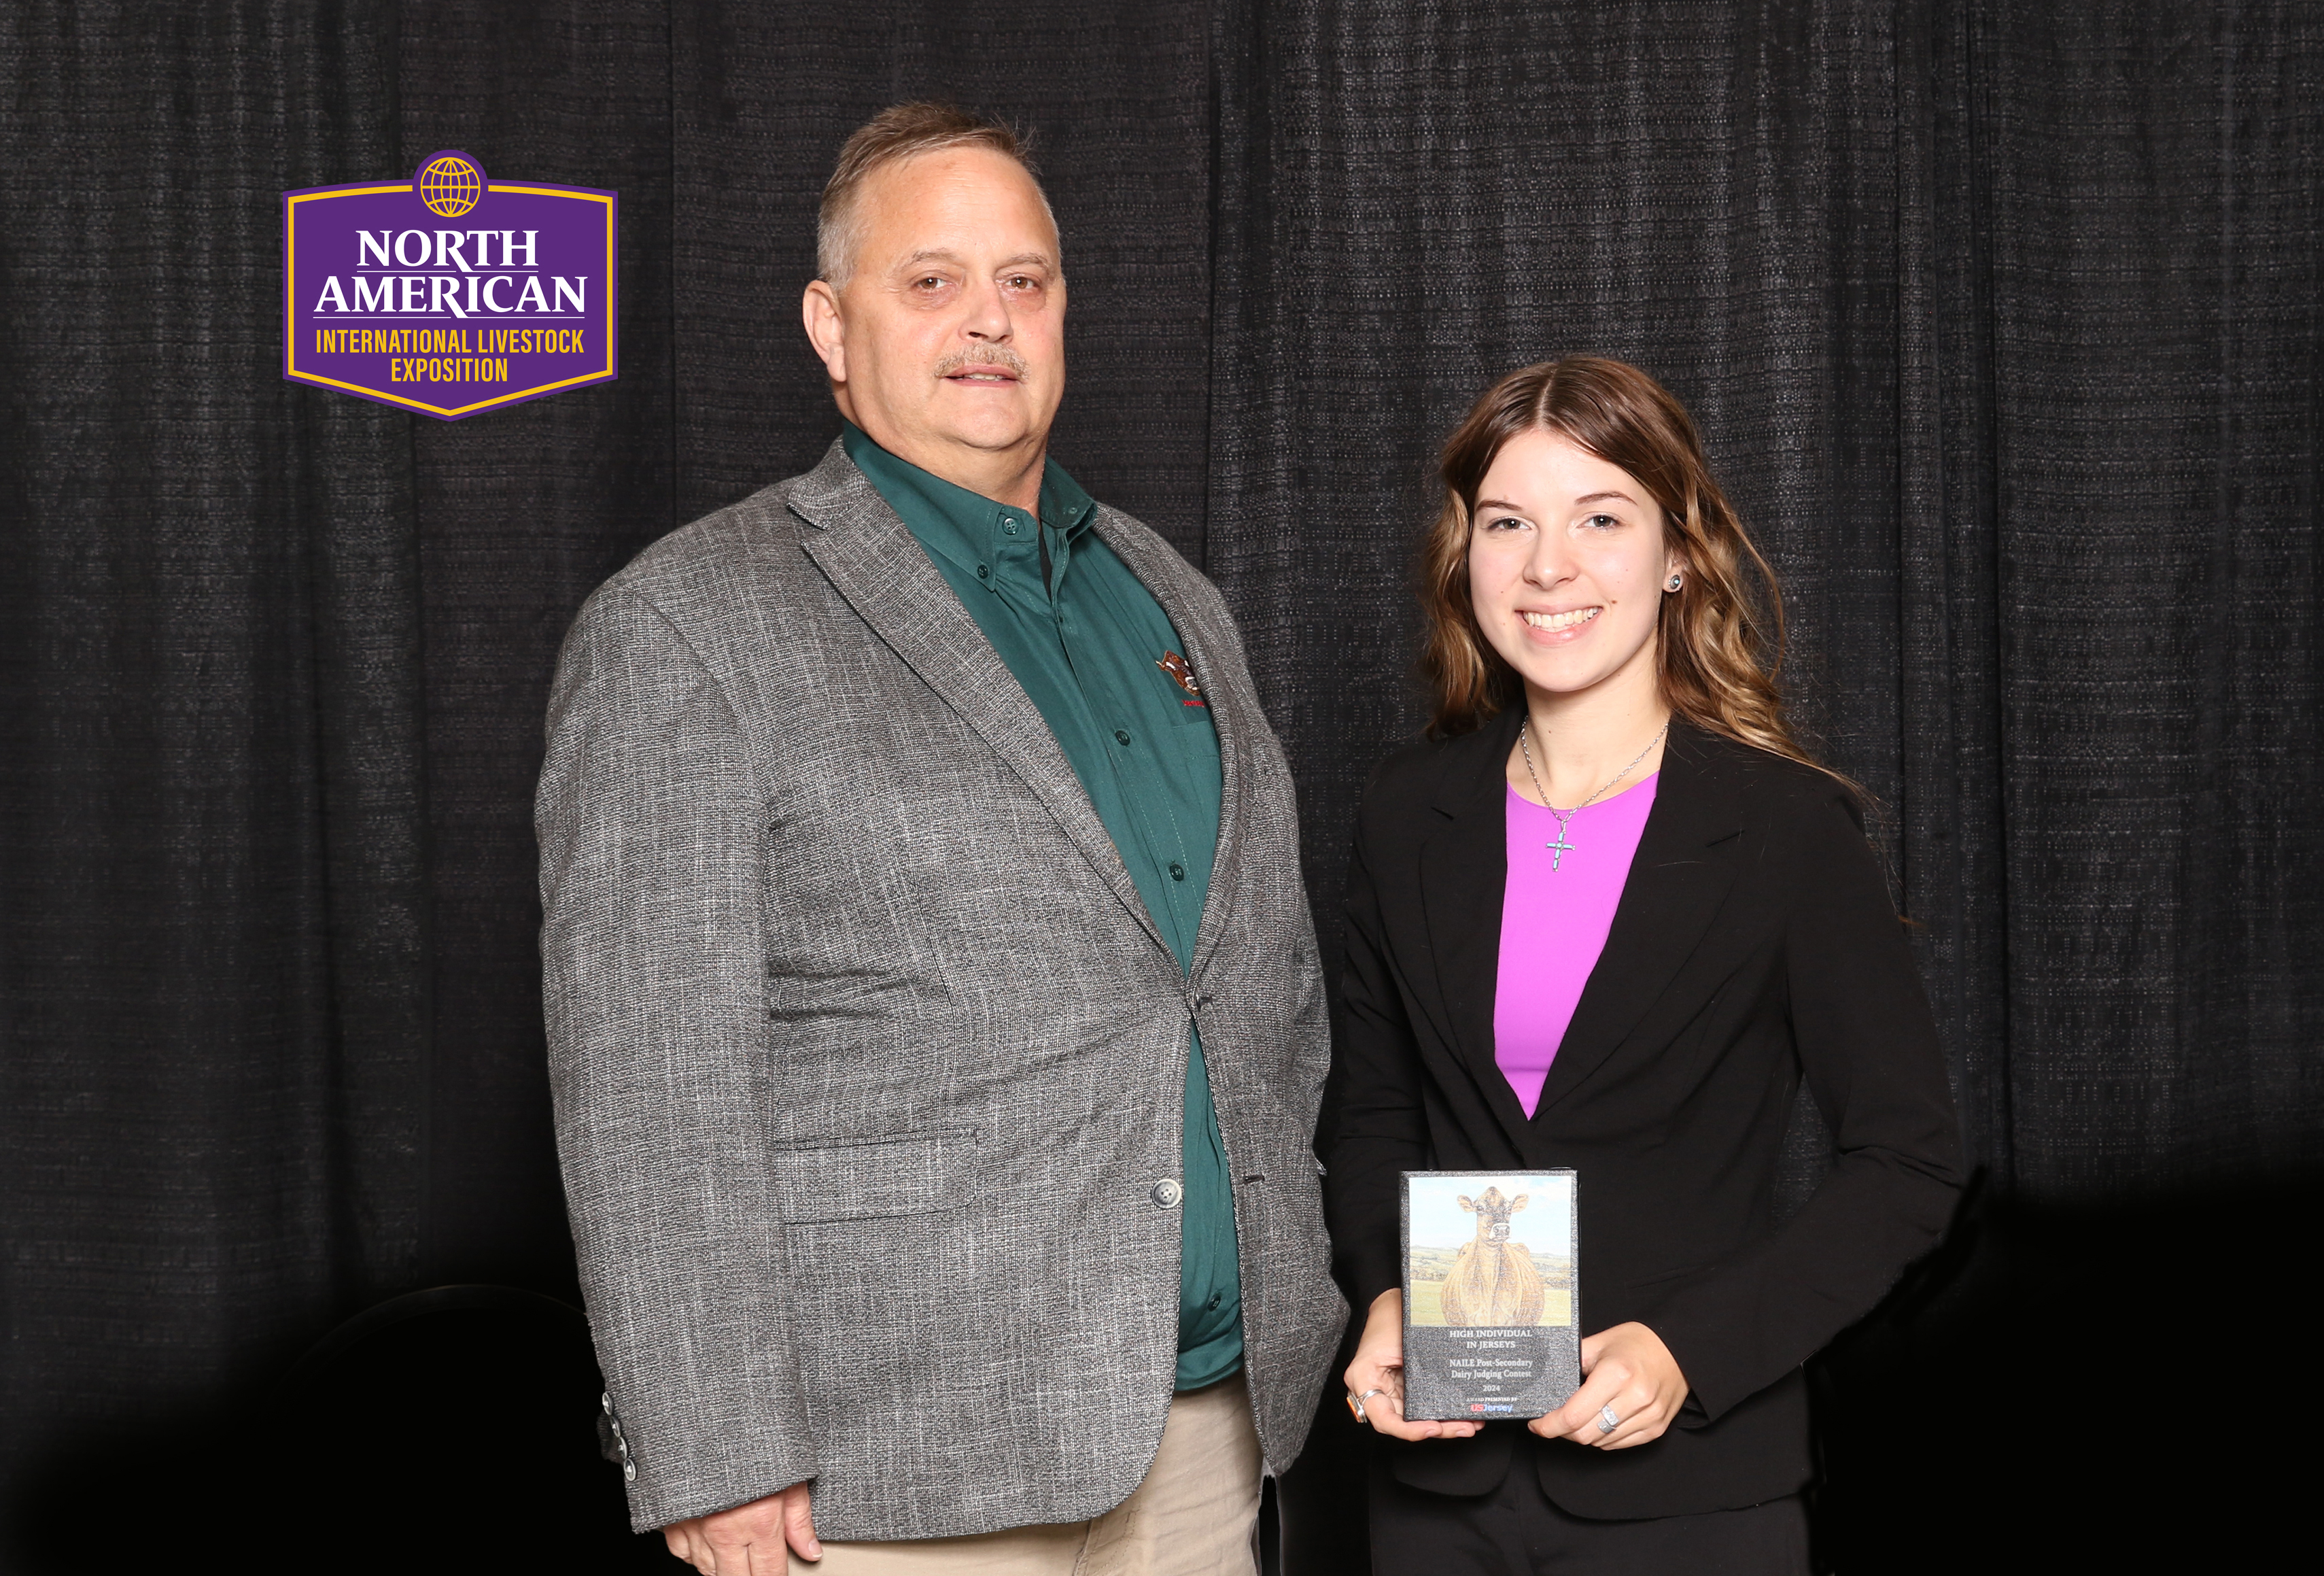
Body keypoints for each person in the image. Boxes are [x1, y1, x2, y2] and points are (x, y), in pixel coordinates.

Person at [537, 101, 1344, 1576]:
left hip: (1205, 1440)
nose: (990, 321)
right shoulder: (687, 625)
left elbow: (1261, 987)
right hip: (889, 1475)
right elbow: (650, 1091)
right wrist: (714, 1445)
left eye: (1024, 280)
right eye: (934, 282)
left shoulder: (1168, 593)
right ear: (831, 327)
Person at [1326, 357, 1963, 1572]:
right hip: (1438, 1489)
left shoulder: (1787, 830)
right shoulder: (1407, 814)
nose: (1548, 565)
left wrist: (1691, 1351)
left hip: (1692, 1497)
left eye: (1601, 519)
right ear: (1466, 557)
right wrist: (1383, 1298)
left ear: (1678, 553)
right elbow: (1371, 1113)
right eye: (1508, 523)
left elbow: (1909, 1164)